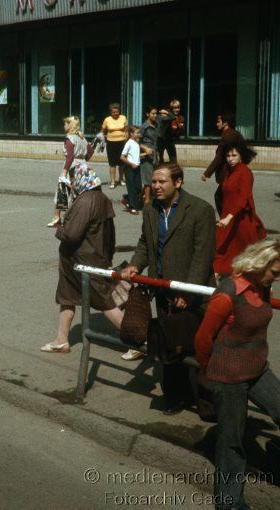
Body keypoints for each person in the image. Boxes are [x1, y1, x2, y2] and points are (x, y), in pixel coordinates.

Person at [121, 164, 216, 411]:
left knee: (196, 348)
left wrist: (187, 291)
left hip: (193, 296)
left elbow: (202, 257)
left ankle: (206, 404)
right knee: (169, 347)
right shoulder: (151, 210)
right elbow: (145, 243)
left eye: (162, 181)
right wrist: (135, 265)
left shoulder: (200, 210)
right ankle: (175, 399)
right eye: (154, 181)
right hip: (163, 292)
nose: (156, 186)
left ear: (178, 182)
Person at [194, 239, 280, 509]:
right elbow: (203, 338)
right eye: (274, 272)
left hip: (257, 370)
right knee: (231, 443)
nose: (276, 278)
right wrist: (213, 372)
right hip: (228, 376)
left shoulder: (261, 286)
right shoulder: (227, 293)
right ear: (259, 263)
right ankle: (229, 503)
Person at [40, 164, 123, 353]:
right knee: (67, 297)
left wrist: (59, 228)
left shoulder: (85, 201)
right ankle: (61, 339)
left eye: (72, 181)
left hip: (83, 259)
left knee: (104, 302)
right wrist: (108, 255)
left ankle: (139, 341)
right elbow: (110, 232)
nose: (71, 185)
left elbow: (71, 234)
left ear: (80, 179)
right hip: (85, 258)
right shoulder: (101, 198)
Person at [213, 142, 266, 276]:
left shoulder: (245, 172)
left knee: (244, 254)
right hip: (229, 217)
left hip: (241, 220)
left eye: (234, 155)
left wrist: (229, 217)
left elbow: (244, 197)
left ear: (241, 156)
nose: (230, 159)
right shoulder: (229, 172)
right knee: (224, 250)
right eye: (228, 155)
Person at [49, 116, 94, 227]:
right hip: (83, 166)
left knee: (62, 191)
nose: (64, 126)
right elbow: (91, 151)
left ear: (70, 125)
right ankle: (77, 218)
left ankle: (57, 218)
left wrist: (64, 171)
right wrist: (84, 159)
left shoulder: (69, 138)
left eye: (65, 124)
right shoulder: (82, 137)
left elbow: (70, 157)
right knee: (78, 193)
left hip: (73, 166)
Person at [201, 112, 245, 215]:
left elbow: (219, 157)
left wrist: (207, 173)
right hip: (236, 171)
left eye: (218, 121)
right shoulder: (236, 134)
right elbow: (245, 151)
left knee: (220, 197)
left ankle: (226, 221)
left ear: (225, 123)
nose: (217, 124)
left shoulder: (227, 136)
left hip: (228, 173)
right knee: (226, 197)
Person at [101, 103, 129, 189]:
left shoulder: (123, 118)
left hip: (122, 143)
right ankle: (112, 181)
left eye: (117, 112)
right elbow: (102, 131)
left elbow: (126, 130)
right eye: (114, 112)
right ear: (111, 112)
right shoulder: (107, 120)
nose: (116, 113)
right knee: (112, 163)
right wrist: (101, 139)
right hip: (111, 143)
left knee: (121, 163)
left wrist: (127, 141)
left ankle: (121, 179)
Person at [119, 126, 144, 215]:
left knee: (138, 188)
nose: (139, 134)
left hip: (137, 168)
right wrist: (131, 164)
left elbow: (136, 155)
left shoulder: (136, 143)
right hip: (129, 168)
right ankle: (132, 207)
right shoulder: (129, 143)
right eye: (137, 133)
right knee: (131, 188)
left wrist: (145, 154)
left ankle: (126, 198)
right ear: (131, 134)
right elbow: (122, 157)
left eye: (139, 133)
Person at [138, 106, 159, 206]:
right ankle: (147, 202)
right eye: (153, 113)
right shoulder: (144, 126)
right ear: (147, 114)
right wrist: (145, 148)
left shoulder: (156, 125)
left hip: (154, 154)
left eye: (156, 113)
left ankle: (137, 197)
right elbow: (136, 141)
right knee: (147, 179)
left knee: (152, 177)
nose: (155, 115)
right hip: (146, 156)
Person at [156, 99, 185, 164]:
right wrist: (167, 113)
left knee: (173, 159)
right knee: (160, 159)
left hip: (170, 140)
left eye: (178, 108)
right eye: (174, 108)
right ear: (171, 108)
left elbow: (181, 128)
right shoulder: (166, 116)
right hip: (162, 140)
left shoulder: (180, 118)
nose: (177, 109)